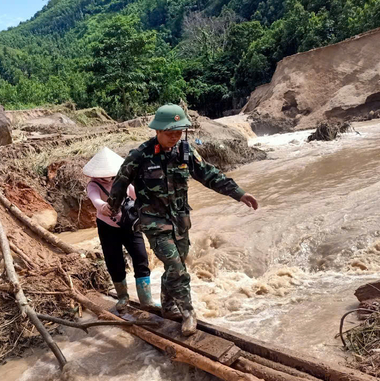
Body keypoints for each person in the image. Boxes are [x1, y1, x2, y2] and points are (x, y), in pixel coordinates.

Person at [108, 104, 259, 336]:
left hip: (180, 221)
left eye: (179, 132)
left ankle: (168, 306)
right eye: (170, 132)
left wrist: (238, 193)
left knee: (176, 266)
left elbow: (210, 175)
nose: (175, 136)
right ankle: (189, 312)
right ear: (157, 130)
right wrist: (113, 207)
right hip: (154, 223)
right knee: (177, 269)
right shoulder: (139, 156)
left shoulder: (185, 152)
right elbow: (120, 183)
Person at [84, 147, 155, 312]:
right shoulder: (93, 184)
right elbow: (94, 198)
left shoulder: (124, 180)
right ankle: (123, 298)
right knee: (114, 262)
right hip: (108, 228)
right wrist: (102, 206)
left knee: (141, 257)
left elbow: (139, 196)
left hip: (129, 225)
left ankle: (146, 300)